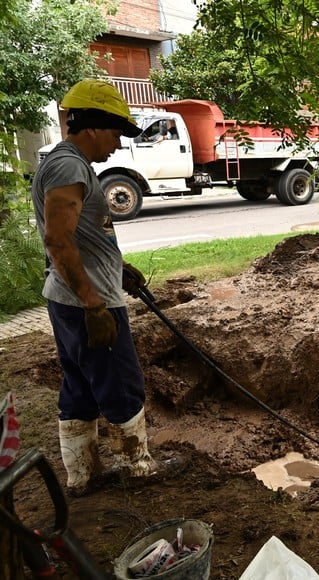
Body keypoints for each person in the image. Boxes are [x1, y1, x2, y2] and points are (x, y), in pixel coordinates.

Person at [31, 79, 160, 496]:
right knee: (120, 383)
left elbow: (83, 236)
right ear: (91, 127)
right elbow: (57, 240)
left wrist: (118, 267)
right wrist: (94, 303)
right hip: (86, 303)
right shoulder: (69, 165)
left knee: (80, 387)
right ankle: (139, 469)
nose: (119, 145)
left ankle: (82, 475)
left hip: (71, 299)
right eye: (116, 132)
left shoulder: (69, 164)